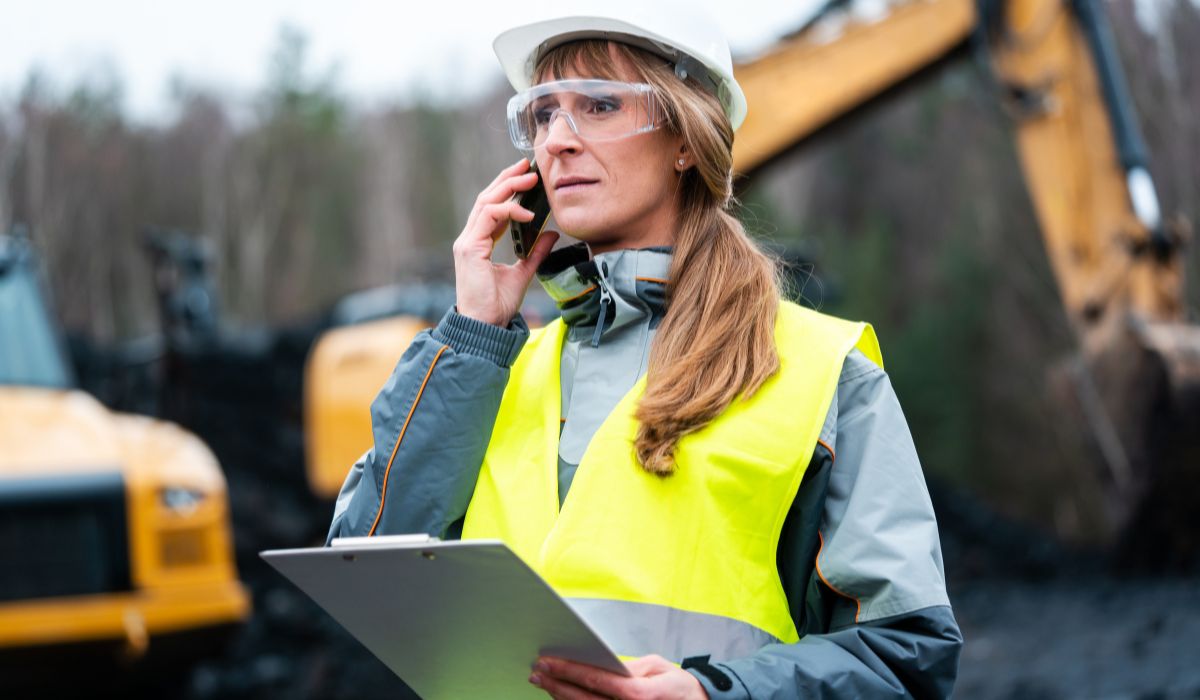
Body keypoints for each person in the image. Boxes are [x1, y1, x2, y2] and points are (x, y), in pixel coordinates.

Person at [328, 5, 963, 698]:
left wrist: (710, 693)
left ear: (685, 138)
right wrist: (475, 327)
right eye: (542, 115)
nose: (557, 141)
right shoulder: (490, 371)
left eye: (598, 105)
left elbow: (906, 656)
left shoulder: (820, 373)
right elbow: (367, 561)